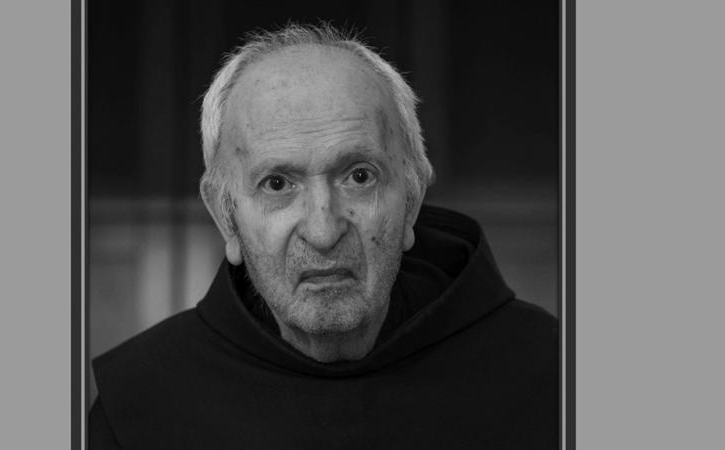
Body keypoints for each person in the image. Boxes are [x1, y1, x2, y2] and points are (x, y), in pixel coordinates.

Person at [89, 24, 558, 449]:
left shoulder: (551, 376)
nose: (323, 231)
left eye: (359, 176)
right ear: (226, 217)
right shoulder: (138, 407)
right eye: (277, 184)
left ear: (412, 200)